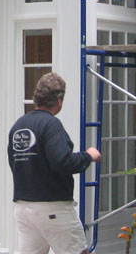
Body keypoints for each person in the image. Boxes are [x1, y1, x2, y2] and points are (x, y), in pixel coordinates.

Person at [7, 72, 102, 254]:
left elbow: (15, 164)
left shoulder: (19, 125)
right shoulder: (51, 125)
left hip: (24, 208)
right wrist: (89, 155)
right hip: (53, 208)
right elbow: (63, 162)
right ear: (59, 101)